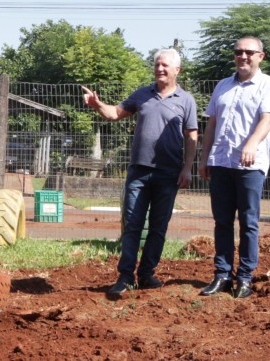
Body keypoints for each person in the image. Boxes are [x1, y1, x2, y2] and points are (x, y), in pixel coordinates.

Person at [82, 49, 200, 299]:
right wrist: (97, 105)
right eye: (157, 64)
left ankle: (147, 274)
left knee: (158, 227)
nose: (160, 69)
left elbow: (191, 135)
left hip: (168, 174)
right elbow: (114, 113)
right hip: (138, 172)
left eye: (165, 65)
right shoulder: (142, 95)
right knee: (133, 225)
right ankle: (125, 276)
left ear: (177, 70)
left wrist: (187, 168)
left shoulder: (186, 100)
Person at [198, 36, 270, 299]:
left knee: (248, 223)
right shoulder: (223, 86)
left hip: (250, 165)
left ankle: (245, 277)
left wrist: (252, 144)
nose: (243, 56)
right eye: (238, 52)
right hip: (221, 163)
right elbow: (212, 123)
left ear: (261, 56)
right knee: (222, 222)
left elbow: (268, 119)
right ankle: (222, 275)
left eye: (249, 52)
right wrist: (204, 158)